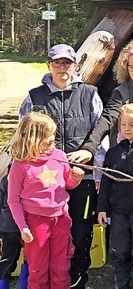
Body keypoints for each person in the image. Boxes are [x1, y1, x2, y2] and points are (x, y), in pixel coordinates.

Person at [18, 44, 103, 289]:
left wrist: (94, 166)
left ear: (75, 65)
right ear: (49, 65)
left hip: (81, 177)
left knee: (80, 235)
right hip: (44, 184)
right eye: (57, 63)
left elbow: (100, 133)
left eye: (67, 63)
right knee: (47, 239)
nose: (62, 68)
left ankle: (76, 281)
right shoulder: (35, 96)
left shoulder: (89, 93)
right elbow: (23, 136)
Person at [7, 112, 85, 288]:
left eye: (53, 139)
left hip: (61, 219)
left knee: (61, 266)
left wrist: (75, 178)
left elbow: (67, 184)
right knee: (38, 270)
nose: (52, 143)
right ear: (32, 140)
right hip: (35, 222)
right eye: (47, 141)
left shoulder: (59, 155)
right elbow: (13, 199)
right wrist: (23, 227)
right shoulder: (20, 165)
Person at [96, 103, 133, 289]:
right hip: (118, 213)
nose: (127, 128)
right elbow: (105, 183)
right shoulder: (112, 152)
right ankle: (122, 285)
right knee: (120, 253)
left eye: (132, 124)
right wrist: (102, 208)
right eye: (123, 124)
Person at [0, 164, 28, 289]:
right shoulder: (25, 175)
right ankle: (22, 284)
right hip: (22, 223)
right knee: (30, 258)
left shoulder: (5, 179)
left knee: (8, 258)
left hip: (8, 225)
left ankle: (4, 283)